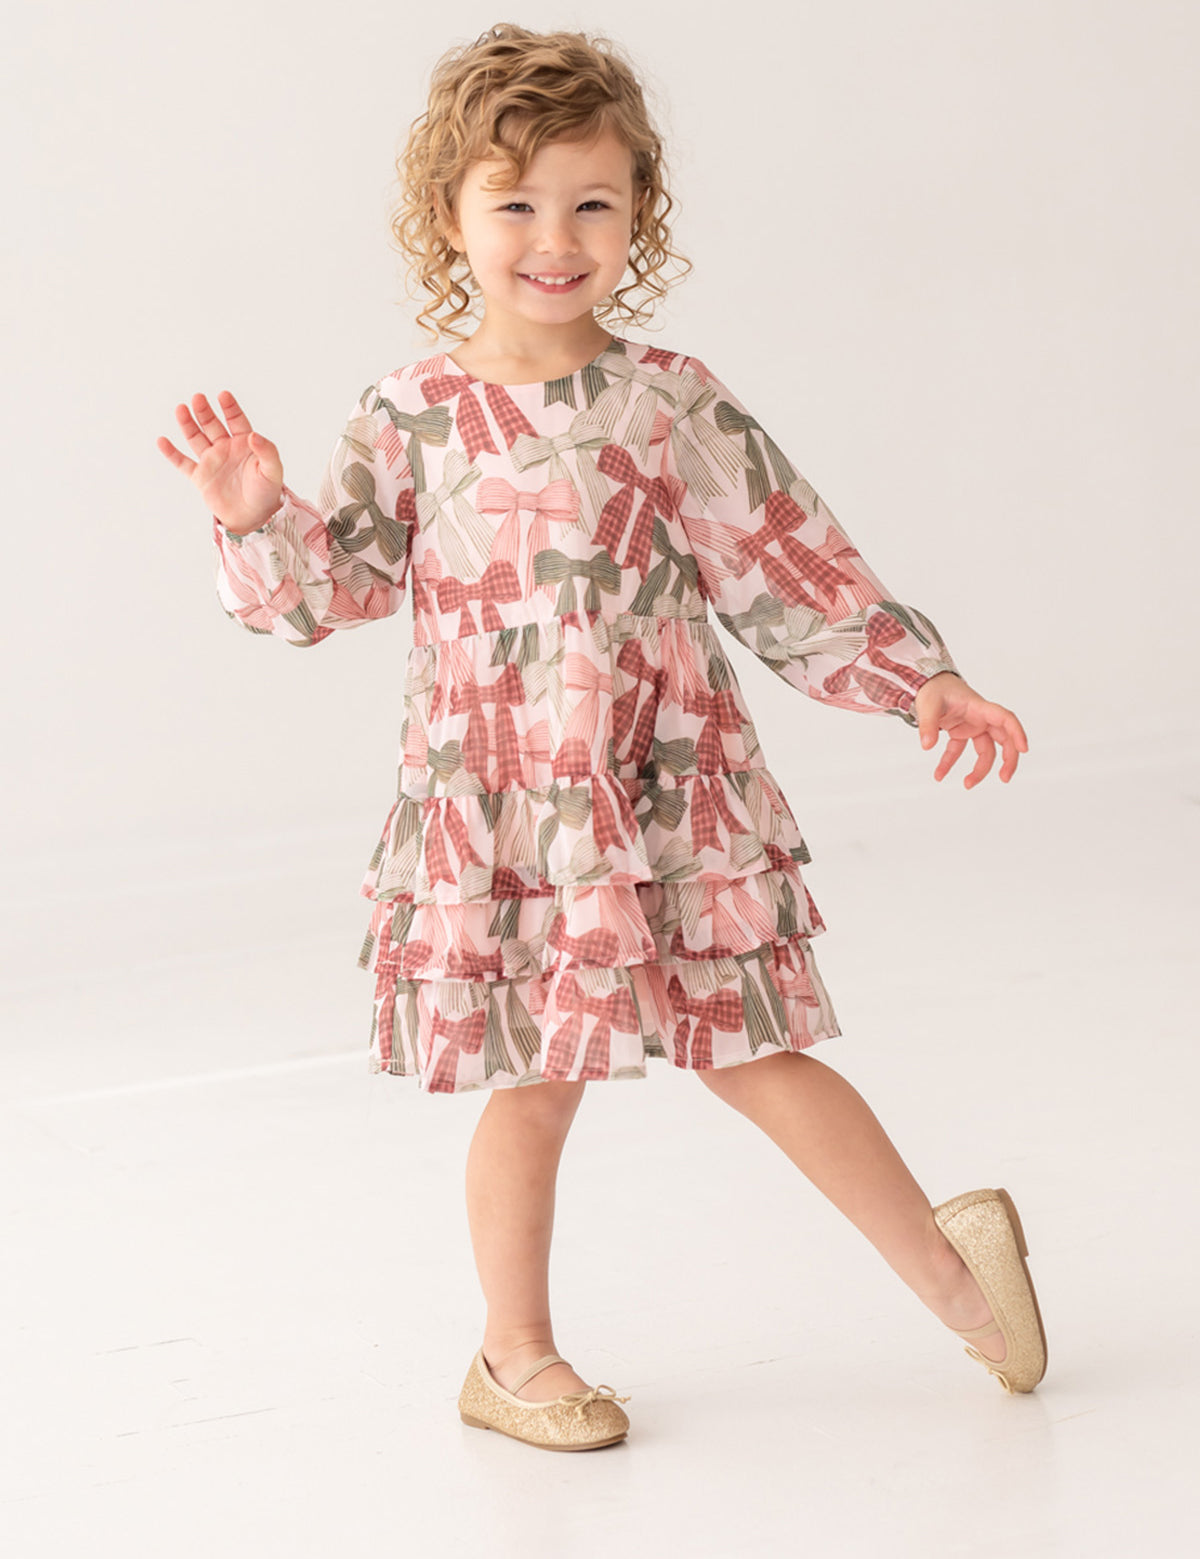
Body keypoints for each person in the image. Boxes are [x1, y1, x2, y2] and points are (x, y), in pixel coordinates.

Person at [156, 23, 1047, 1452]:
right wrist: (260, 516)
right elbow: (340, 591)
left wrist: (918, 681)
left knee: (758, 1051)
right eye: (514, 203)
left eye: (592, 203)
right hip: (509, 814)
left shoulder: (669, 401)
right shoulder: (411, 414)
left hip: (667, 789)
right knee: (537, 1078)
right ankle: (512, 1358)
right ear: (448, 217)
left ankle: (959, 1279)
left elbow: (787, 561)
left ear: (640, 216)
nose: (554, 238)